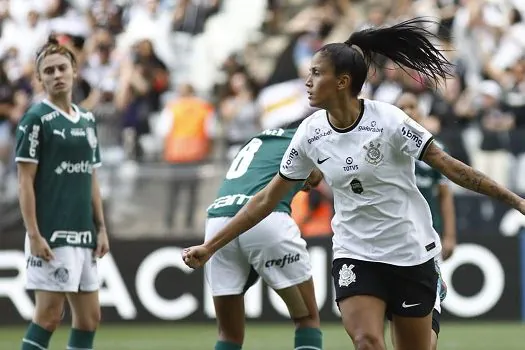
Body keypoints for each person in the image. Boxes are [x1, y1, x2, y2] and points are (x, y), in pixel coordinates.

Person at [183, 18, 525, 350]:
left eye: (317, 74)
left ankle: (432, 296)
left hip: (409, 250)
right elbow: (265, 200)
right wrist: (210, 247)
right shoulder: (309, 132)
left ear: (343, 82)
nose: (308, 81)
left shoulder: (389, 121)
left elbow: (452, 168)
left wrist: (517, 201)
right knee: (367, 341)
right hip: (354, 252)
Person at [15, 36, 109, 350]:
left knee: (90, 318)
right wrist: (34, 234)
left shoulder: (87, 120)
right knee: (49, 316)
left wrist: (101, 227)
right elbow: (25, 181)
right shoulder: (35, 119)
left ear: (74, 72)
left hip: (84, 233)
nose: (57, 75)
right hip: (52, 233)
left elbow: (91, 175)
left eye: (62, 68)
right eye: (49, 71)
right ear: (39, 78)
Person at [204, 123, 324, 350]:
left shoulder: (259, 140)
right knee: (307, 320)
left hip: (218, 222)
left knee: (228, 336)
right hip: (265, 218)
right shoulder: (307, 137)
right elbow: (316, 176)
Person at [388, 91, 458, 350]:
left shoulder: (436, 149)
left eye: (412, 106)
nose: (407, 110)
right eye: (401, 106)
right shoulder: (385, 148)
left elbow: (445, 196)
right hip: (391, 241)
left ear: (421, 111)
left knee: (424, 307)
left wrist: (450, 235)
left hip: (427, 240)